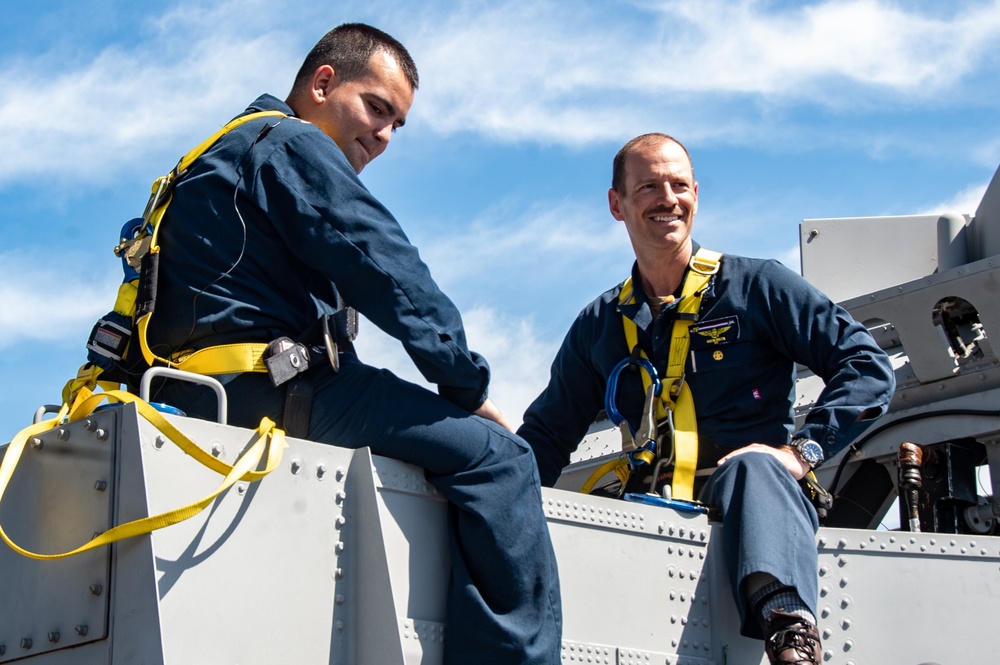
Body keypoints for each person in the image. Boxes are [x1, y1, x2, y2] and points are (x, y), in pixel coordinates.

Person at [143, 23, 561, 664]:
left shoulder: (210, 158)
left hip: (194, 397)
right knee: (503, 460)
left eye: (397, 124)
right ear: (322, 83)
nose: (384, 136)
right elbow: (386, 266)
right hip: (279, 391)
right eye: (376, 108)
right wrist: (466, 387)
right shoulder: (291, 145)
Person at [517, 133, 895, 664]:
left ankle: (790, 635)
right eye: (648, 186)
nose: (667, 199)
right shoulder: (600, 326)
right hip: (649, 513)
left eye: (678, 185)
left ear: (696, 193)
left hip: (748, 505)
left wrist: (799, 453)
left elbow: (867, 365)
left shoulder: (759, 286)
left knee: (753, 470)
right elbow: (547, 437)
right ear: (617, 204)